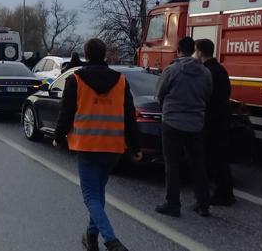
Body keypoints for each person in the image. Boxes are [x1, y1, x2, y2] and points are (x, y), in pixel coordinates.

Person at [53, 38, 141, 251]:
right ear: (105, 55)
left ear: (86, 54)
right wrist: (135, 146)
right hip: (113, 147)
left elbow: (67, 112)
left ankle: (111, 240)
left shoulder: (76, 79)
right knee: (99, 193)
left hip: (87, 145)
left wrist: (58, 136)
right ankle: (91, 237)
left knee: (91, 196)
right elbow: (129, 115)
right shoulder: (120, 80)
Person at [155, 36, 213, 218]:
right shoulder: (205, 73)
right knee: (198, 164)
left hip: (172, 121)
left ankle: (173, 204)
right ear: (193, 51)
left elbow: (159, 93)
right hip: (195, 123)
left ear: (178, 50)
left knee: (172, 164)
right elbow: (207, 95)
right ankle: (203, 204)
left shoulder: (172, 70)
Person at [195, 38, 235, 206]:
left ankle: (220, 194)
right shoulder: (221, 70)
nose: (195, 54)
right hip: (222, 118)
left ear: (201, 52)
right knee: (220, 158)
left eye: (196, 51)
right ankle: (225, 191)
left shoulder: (205, 71)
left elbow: (203, 95)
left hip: (210, 120)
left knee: (210, 158)